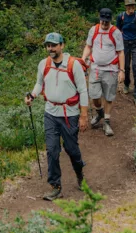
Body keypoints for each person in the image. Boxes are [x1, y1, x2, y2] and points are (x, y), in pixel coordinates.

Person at [26, 32, 89, 200]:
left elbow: (83, 90)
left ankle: (79, 173)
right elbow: (40, 83)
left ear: (62, 45)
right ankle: (56, 186)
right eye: (48, 45)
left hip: (70, 114)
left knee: (72, 149)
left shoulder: (73, 65)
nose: (50, 48)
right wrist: (32, 95)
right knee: (52, 150)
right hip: (51, 113)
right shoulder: (43, 64)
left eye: (54, 45)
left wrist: (83, 115)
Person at [80, 8, 124, 137]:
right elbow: (88, 46)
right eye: (102, 21)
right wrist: (83, 59)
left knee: (109, 97)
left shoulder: (116, 33)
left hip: (111, 69)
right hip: (95, 68)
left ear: (110, 20)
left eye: (107, 21)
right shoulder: (93, 30)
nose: (104, 23)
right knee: (94, 96)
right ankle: (100, 112)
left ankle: (107, 122)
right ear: (100, 19)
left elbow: (121, 52)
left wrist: (122, 70)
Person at [116, 0, 136, 105]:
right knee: (126, 67)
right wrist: (116, 47)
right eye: (129, 6)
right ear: (126, 6)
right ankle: (126, 84)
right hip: (124, 44)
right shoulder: (121, 17)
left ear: (134, 6)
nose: (131, 7)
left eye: (132, 5)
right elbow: (117, 32)